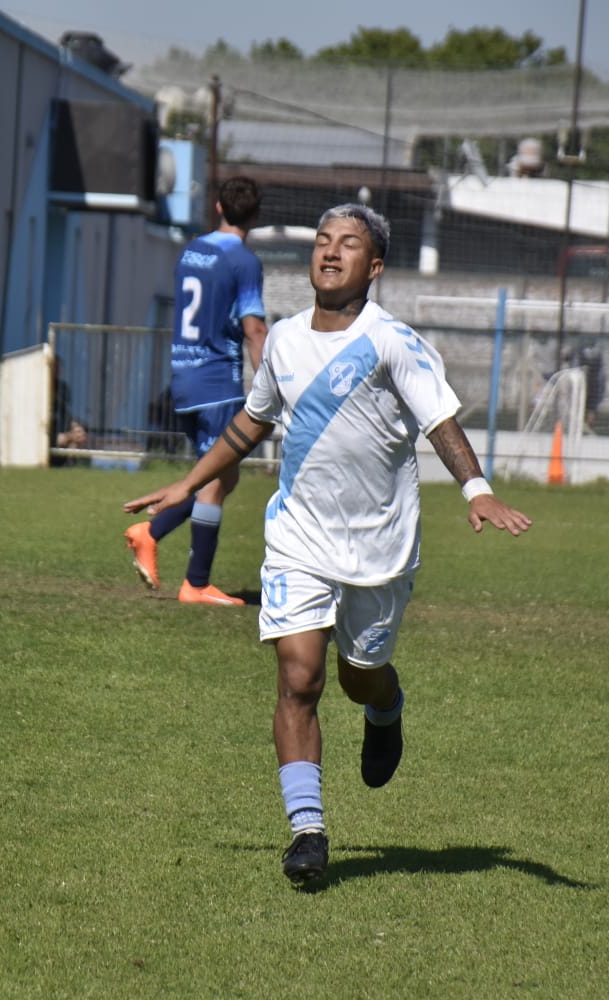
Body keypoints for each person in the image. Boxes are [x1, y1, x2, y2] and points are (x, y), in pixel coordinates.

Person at [124, 204, 531, 886]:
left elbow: (441, 421)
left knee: (355, 675)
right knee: (299, 677)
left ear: (374, 267)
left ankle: (385, 705)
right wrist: (188, 486)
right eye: (321, 241)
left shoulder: (393, 341)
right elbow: (249, 426)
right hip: (298, 538)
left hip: (379, 545)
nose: (330, 252)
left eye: (348, 245)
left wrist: (477, 489)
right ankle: (307, 832)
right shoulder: (283, 340)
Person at [123, 176, 267, 605]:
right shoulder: (244, 262)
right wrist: (272, 384)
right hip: (217, 380)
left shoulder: (192, 250)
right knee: (214, 482)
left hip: (183, 376)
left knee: (222, 474)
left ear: (218, 207)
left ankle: (153, 534)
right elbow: (254, 328)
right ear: (255, 216)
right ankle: (194, 581)